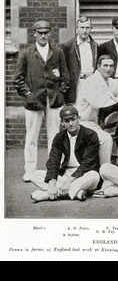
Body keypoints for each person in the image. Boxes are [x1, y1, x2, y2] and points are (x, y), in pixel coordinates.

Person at [13, 20, 70, 182]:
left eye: (46, 32)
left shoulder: (57, 52)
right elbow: (18, 79)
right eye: (40, 33)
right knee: (31, 136)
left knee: (55, 135)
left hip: (54, 100)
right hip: (34, 101)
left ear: (50, 33)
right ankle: (30, 169)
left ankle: (53, 168)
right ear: (34, 34)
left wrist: (60, 93)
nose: (43, 35)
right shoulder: (26, 53)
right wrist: (28, 94)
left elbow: (65, 77)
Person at [29, 106, 101, 202]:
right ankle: (76, 193)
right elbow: (53, 161)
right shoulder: (59, 137)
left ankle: (48, 195)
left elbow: (88, 164)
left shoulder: (90, 135)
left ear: (78, 119)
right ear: (62, 122)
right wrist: (52, 183)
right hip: (67, 173)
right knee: (34, 175)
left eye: (73, 119)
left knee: (94, 176)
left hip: (84, 174)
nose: (71, 124)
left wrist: (68, 182)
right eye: (67, 121)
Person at [75, 55, 118, 166]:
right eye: (105, 65)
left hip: (107, 124)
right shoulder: (89, 82)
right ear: (98, 67)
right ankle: (105, 170)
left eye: (111, 66)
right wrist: (116, 98)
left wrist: (113, 98)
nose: (108, 69)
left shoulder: (111, 82)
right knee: (106, 139)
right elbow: (99, 104)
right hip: (87, 123)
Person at [59, 16, 98, 104]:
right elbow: (63, 69)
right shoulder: (67, 46)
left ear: (91, 28)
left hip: (92, 83)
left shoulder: (96, 46)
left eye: (87, 28)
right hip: (76, 84)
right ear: (77, 28)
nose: (85, 31)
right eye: (82, 27)